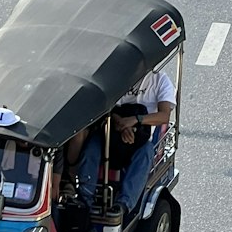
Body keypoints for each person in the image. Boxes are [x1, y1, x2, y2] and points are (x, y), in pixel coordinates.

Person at [73, 64, 176, 220]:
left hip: (140, 138)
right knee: (91, 149)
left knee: (146, 152)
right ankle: (84, 199)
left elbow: (164, 116)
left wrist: (135, 121)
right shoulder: (116, 77)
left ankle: (123, 205)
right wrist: (121, 124)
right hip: (111, 131)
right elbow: (105, 108)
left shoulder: (160, 81)